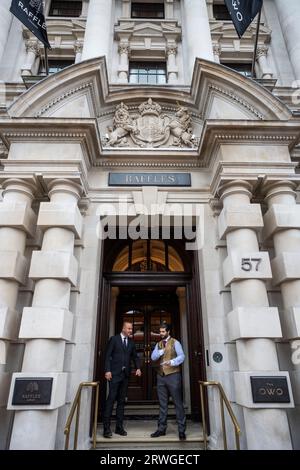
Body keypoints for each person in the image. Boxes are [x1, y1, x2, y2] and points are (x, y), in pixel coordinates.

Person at [103, 321, 142, 438]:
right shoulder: (114, 340)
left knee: (121, 402)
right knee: (111, 400)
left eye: (131, 329)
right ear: (123, 328)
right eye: (129, 329)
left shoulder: (131, 342)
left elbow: (135, 356)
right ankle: (106, 429)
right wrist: (107, 370)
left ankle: (119, 428)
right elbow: (108, 356)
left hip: (125, 376)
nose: (131, 330)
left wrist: (138, 368)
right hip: (114, 375)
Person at [150, 322, 186, 441]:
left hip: (173, 375)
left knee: (178, 403)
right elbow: (153, 357)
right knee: (162, 404)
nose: (161, 333)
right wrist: (161, 351)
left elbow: (182, 356)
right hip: (161, 377)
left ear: (168, 332)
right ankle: (161, 429)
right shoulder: (158, 344)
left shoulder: (176, 342)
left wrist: (171, 362)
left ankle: (181, 430)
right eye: (160, 331)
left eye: (163, 331)